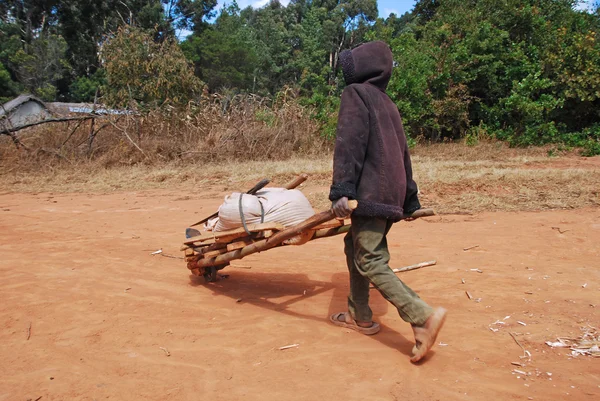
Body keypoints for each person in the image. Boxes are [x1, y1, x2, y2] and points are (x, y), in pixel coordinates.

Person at [328, 41, 447, 363]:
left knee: (370, 259)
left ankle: (421, 316)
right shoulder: (387, 103)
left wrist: (342, 190)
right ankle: (360, 315)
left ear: (360, 67)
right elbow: (403, 155)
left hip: (369, 192)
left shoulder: (356, 94)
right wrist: (410, 199)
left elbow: (348, 145)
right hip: (389, 192)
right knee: (355, 245)